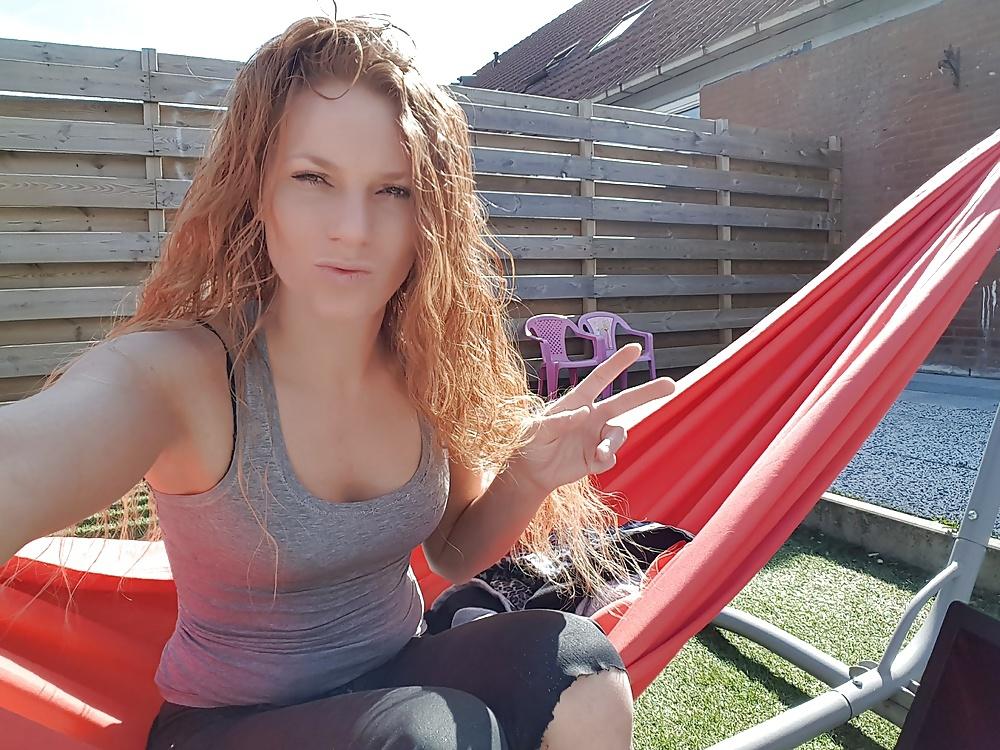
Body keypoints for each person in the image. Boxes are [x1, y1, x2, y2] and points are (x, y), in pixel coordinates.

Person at [0, 12, 676, 750]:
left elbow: (452, 554)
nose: (353, 228)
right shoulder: (178, 376)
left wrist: (529, 477)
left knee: (576, 663)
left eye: (394, 190)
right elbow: (22, 462)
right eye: (313, 178)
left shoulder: (428, 363)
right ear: (257, 190)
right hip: (227, 726)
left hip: (396, 674)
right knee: (429, 734)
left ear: (432, 216)